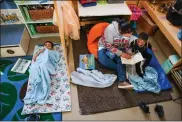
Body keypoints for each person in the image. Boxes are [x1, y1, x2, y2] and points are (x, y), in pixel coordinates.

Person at [98, 19, 137, 89]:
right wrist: (121, 53)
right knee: (105, 61)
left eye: (131, 33)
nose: (130, 35)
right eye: (129, 33)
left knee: (122, 61)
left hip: (117, 46)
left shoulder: (126, 30)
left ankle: (122, 81)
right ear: (121, 31)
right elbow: (108, 45)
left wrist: (128, 51)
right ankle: (123, 77)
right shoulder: (110, 29)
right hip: (105, 46)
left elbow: (125, 43)